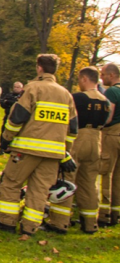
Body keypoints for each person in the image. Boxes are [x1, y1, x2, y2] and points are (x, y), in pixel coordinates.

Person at [0, 54, 77, 236]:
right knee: (39, 190)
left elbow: (17, 117)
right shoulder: (66, 95)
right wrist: (65, 152)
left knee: (11, 183)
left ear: (39, 68)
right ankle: (30, 228)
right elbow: (73, 129)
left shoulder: (33, 88)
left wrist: (6, 138)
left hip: (27, 150)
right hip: (52, 155)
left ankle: (7, 222)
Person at [44, 66, 109, 234]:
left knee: (68, 179)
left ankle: (59, 222)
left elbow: (69, 119)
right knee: (89, 182)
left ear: (85, 79)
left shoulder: (78, 98)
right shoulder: (105, 101)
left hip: (79, 138)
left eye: (80, 80)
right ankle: (90, 223)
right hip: (97, 140)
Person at [98, 63, 120, 227]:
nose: (101, 77)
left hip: (112, 135)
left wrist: (98, 125)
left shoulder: (112, 91)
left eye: (103, 74)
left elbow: (109, 117)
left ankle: (104, 214)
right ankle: (115, 212)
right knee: (118, 176)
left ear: (112, 75)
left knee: (106, 173)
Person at [0, 82, 24, 151]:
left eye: (17, 87)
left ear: (21, 88)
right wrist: (8, 102)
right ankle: (1, 148)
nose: (15, 88)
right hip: (7, 115)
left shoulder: (23, 96)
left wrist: (8, 102)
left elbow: (17, 104)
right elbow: (3, 103)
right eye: (14, 87)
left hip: (16, 117)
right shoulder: (9, 95)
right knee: (3, 131)